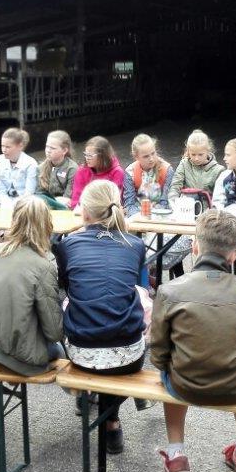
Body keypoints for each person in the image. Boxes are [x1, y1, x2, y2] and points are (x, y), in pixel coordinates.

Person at [149, 210, 236, 472]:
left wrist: (168, 363)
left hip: (184, 384)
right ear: (234, 255)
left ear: (194, 246)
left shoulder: (169, 290)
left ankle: (176, 454)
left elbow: (158, 351)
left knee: (169, 367)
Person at [54, 180, 146, 454]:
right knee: (136, 308)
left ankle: (90, 400)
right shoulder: (135, 244)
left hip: (81, 352)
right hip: (128, 356)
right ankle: (112, 421)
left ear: (85, 212)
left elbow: (66, 289)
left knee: (83, 312)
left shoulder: (68, 244)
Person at [0, 196, 63, 376]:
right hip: (19, 355)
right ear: (46, 224)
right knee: (62, 352)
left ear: (14, 220)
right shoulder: (43, 264)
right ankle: (85, 398)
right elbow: (54, 332)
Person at [166, 129, 225, 203]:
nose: (196, 158)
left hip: (208, 210)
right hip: (187, 207)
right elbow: (175, 186)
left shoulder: (219, 170)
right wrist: (173, 202)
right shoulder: (184, 164)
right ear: (188, 151)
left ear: (208, 151)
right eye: (193, 154)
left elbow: (220, 197)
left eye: (200, 154)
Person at [122, 134, 174, 216]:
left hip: (161, 213)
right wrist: (140, 218)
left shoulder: (167, 170)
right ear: (136, 157)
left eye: (153, 153)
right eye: (146, 156)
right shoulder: (130, 172)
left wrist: (152, 217)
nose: (151, 159)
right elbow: (129, 204)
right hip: (138, 213)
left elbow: (165, 202)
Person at [69, 136, 126, 209]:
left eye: (90, 155)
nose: (87, 158)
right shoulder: (81, 171)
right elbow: (76, 200)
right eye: (86, 154)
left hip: (106, 213)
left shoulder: (117, 172)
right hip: (83, 211)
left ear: (102, 156)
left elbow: (115, 201)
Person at [0, 127, 38, 207]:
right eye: (2, 146)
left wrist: (14, 206)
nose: (4, 150)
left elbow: (29, 193)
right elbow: (0, 188)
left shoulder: (31, 164)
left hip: (23, 206)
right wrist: (6, 204)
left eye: (8, 147)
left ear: (20, 146)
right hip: (4, 205)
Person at [36, 130, 78, 209]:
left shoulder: (72, 168)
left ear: (64, 150)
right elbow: (39, 193)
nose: (48, 150)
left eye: (52, 148)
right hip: (45, 206)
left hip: (64, 207)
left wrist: (52, 200)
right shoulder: (40, 167)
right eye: (47, 146)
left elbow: (68, 198)